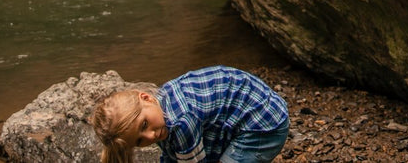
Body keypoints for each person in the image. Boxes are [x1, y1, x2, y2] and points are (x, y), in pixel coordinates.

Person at [92, 65, 290, 163]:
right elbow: (172, 153)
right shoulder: (160, 108)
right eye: (139, 141)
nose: (150, 136)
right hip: (245, 113)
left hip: (263, 125)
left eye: (144, 125)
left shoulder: (181, 121)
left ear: (146, 98)